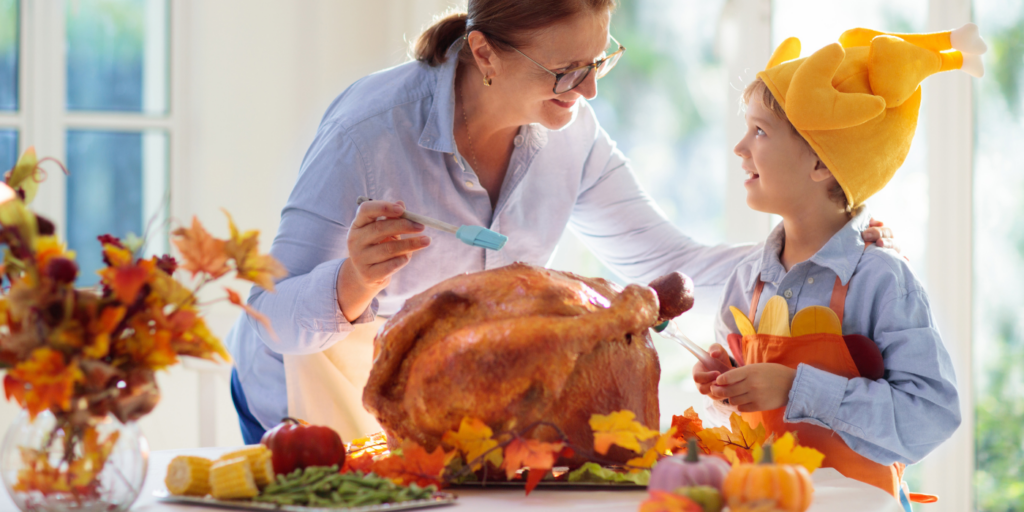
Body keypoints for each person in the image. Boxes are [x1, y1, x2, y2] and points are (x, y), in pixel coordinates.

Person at [225, 0, 896, 447]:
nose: (590, 91)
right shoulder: (368, 135)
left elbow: (672, 260)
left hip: (438, 408)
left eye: (600, 61)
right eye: (568, 70)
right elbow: (270, 315)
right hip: (301, 401)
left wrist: (820, 249)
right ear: (484, 54)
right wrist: (351, 279)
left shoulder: (571, 136)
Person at [692, 25, 987, 509]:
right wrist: (723, 381)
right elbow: (741, 412)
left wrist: (797, 387)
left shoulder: (882, 280)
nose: (739, 147)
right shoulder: (748, 277)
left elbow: (930, 416)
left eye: (760, 131)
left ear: (822, 165)